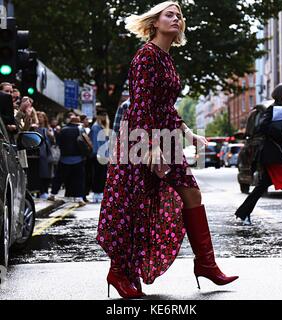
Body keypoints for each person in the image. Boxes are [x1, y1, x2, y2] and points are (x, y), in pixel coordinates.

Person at [96, 1, 238, 299]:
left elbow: (165, 105)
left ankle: (206, 265)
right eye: (169, 15)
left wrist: (188, 132)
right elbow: (143, 105)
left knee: (192, 194)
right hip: (141, 139)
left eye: (179, 16)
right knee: (133, 205)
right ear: (155, 22)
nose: (176, 19)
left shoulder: (166, 58)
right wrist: (149, 146)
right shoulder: (146, 56)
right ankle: (119, 272)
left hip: (167, 140)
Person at [235, 83, 282, 226]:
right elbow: (262, 127)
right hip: (272, 154)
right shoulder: (272, 109)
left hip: (276, 154)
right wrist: (280, 131)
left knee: (263, 185)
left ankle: (243, 212)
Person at [49, 115, 86, 206]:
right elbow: (84, 142)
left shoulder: (63, 129)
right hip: (77, 158)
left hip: (64, 158)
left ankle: (53, 194)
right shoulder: (80, 129)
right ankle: (79, 198)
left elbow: (58, 142)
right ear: (77, 123)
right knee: (78, 179)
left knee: (59, 177)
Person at [89, 110, 110, 203]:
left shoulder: (101, 126)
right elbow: (95, 141)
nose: (105, 118)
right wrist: (98, 153)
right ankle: (96, 193)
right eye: (103, 116)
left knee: (102, 174)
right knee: (98, 174)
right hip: (99, 154)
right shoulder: (96, 127)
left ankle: (99, 192)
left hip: (103, 154)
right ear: (99, 116)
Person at [36, 111, 55, 199]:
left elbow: (53, 141)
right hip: (39, 154)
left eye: (41, 117)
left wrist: (51, 135)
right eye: (38, 117)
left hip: (47, 154)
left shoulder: (48, 129)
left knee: (48, 174)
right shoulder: (35, 128)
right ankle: (41, 191)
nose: (40, 118)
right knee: (39, 173)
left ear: (44, 119)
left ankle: (45, 191)